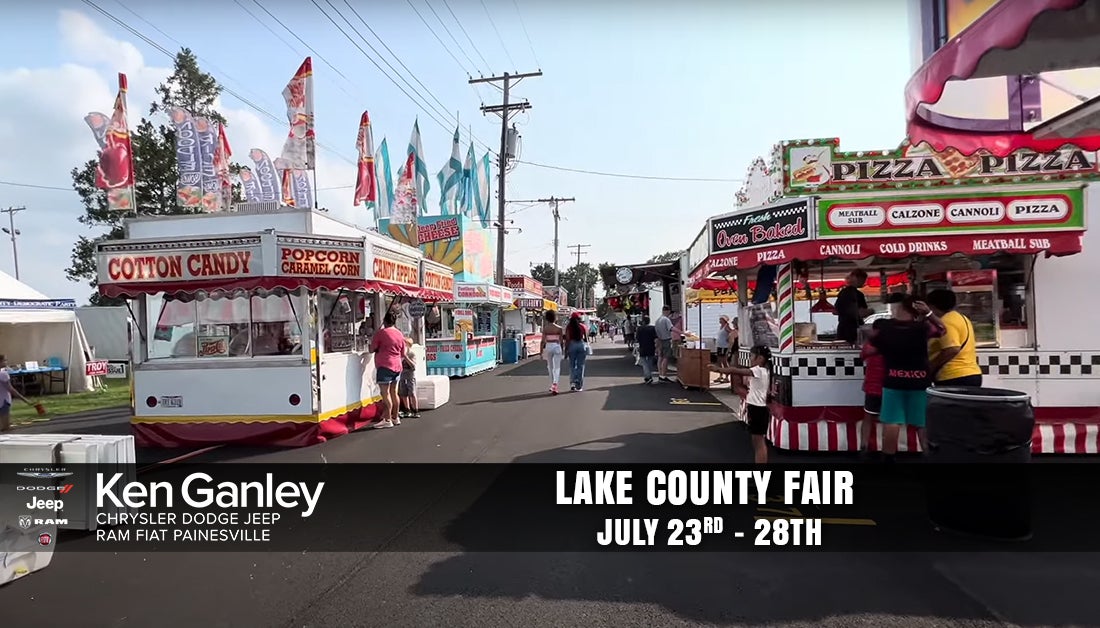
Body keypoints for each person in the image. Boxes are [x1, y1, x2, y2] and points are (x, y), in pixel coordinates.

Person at [870, 295, 946, 461]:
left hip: (893, 380)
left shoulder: (886, 328)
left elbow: (868, 350)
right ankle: (929, 457)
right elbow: (942, 329)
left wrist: (882, 349)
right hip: (919, 381)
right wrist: (928, 314)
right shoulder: (923, 328)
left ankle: (888, 459)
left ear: (900, 308)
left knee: (892, 421)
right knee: (922, 423)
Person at [710, 345, 773, 464]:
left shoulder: (759, 370)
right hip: (757, 408)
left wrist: (718, 369)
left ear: (760, 358)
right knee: (757, 442)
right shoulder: (764, 370)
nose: (750, 359)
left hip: (758, 409)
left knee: (759, 443)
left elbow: (736, 371)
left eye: (752, 356)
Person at [925, 288, 982, 387]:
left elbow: (952, 349)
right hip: (971, 373)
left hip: (953, 376)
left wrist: (931, 366)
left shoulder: (946, 321)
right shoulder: (962, 318)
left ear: (932, 306)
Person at [369, 312, 406, 429]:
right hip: (397, 365)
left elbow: (371, 349)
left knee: (385, 394)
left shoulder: (381, 333)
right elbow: (403, 353)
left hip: (385, 365)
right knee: (394, 392)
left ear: (384, 321)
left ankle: (387, 419)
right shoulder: (400, 334)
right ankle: (396, 417)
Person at [859, 319, 888, 458]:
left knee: (868, 417)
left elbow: (862, 355)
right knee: (889, 420)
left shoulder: (870, 345)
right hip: (889, 387)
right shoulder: (893, 344)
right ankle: (887, 449)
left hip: (872, 387)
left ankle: (863, 446)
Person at [835, 269, 874, 345]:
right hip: (853, 330)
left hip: (842, 329)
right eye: (863, 280)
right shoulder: (857, 294)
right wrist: (871, 311)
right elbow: (859, 313)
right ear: (856, 278)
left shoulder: (843, 292)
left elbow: (835, 311)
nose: (864, 282)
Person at [0, 355, 31, 432]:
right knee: (6, 427)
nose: (6, 362)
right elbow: (11, 389)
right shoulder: (3, 374)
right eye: (4, 360)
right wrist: (25, 400)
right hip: (3, 401)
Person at [540, 310, 565, 395]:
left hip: (549, 346)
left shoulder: (545, 328)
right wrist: (563, 350)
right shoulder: (559, 328)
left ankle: (552, 384)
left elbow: (542, 341)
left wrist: (541, 352)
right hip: (557, 346)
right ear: (555, 318)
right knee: (557, 367)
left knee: (550, 366)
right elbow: (561, 341)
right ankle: (555, 384)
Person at [565, 312, 589, 391]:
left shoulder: (569, 327)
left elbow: (567, 339)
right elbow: (586, 339)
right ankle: (579, 385)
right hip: (581, 345)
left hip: (572, 345)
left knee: (572, 366)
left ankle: (572, 383)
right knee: (580, 366)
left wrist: (566, 350)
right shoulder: (582, 326)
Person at [398, 337, 420, 419]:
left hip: (410, 376)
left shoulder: (411, 354)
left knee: (412, 393)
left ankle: (415, 410)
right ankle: (407, 410)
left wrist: (406, 358)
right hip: (402, 376)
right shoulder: (399, 354)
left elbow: (413, 366)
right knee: (403, 393)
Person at [635, 316, 659, 384]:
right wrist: (657, 347)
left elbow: (637, 338)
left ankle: (648, 376)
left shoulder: (639, 329)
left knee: (644, 362)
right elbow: (655, 338)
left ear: (643, 321)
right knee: (650, 361)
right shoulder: (652, 328)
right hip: (651, 347)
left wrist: (637, 346)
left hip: (642, 347)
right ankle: (649, 376)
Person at [655, 305, 674, 382]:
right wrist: (683, 333)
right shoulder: (666, 320)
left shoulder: (657, 320)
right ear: (668, 311)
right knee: (665, 358)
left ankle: (660, 374)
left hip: (659, 340)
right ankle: (663, 375)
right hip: (666, 340)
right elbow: (671, 328)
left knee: (660, 357)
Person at [714, 316, 732, 385]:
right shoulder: (721, 327)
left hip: (724, 347)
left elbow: (731, 332)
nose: (719, 320)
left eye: (721, 319)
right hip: (719, 346)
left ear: (724, 320)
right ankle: (720, 375)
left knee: (724, 361)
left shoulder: (726, 327)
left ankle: (727, 377)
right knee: (719, 361)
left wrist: (729, 338)